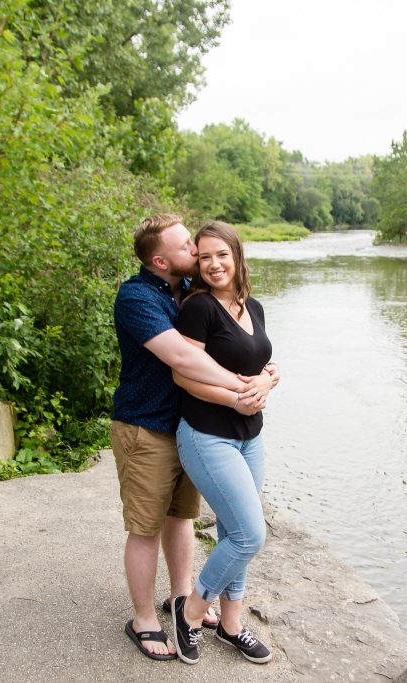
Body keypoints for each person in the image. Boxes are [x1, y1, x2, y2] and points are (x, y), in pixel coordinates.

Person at [111, 213, 276, 661]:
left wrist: (267, 375)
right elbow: (183, 359)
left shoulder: (188, 290)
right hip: (146, 425)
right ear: (161, 261)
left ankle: (182, 598)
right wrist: (241, 389)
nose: (197, 253)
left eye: (203, 249)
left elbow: (239, 343)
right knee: (145, 526)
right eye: (188, 248)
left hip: (188, 421)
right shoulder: (137, 296)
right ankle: (144, 619)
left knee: (181, 517)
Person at [169, 221, 278, 666]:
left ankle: (231, 626)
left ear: (237, 256)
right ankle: (190, 612)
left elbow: (260, 361)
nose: (214, 264)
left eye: (222, 255)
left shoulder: (253, 306)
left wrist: (269, 380)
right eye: (205, 257)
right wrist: (236, 399)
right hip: (207, 436)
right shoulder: (199, 309)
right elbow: (183, 375)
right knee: (251, 535)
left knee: (235, 533)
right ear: (197, 263)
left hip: (250, 438)